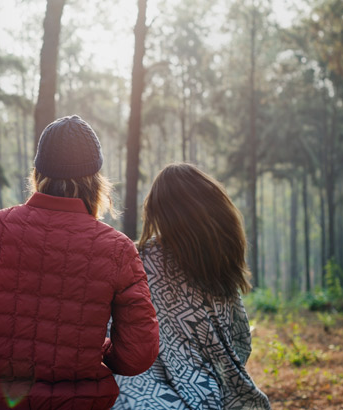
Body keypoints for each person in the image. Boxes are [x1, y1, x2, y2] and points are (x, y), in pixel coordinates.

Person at [0, 115, 159, 410]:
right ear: (97, 181)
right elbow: (137, 353)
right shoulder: (117, 249)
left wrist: (0, 340)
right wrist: (96, 350)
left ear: (38, 173)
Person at [112, 163, 271, 410]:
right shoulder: (218, 266)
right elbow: (240, 343)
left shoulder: (139, 259)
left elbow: (116, 331)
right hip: (207, 388)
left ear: (159, 212)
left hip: (136, 388)